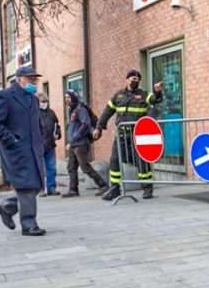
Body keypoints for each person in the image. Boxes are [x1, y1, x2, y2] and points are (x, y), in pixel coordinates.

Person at [0, 66, 47, 236]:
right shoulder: (5, 97)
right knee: (27, 186)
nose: (33, 82)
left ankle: (7, 206)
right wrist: (12, 139)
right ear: (19, 79)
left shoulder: (34, 100)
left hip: (34, 149)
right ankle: (29, 224)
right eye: (30, 79)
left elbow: (37, 124)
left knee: (36, 184)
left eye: (35, 79)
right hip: (16, 150)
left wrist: (42, 142)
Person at [93, 68, 163, 200]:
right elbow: (108, 111)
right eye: (133, 78)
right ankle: (114, 189)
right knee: (115, 161)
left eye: (137, 79)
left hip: (137, 134)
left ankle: (147, 188)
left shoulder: (143, 95)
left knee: (142, 161)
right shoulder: (118, 95)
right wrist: (99, 127)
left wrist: (157, 92)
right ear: (127, 79)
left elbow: (154, 99)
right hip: (121, 134)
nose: (135, 81)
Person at [63, 89, 107, 197]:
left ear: (73, 97)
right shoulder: (72, 110)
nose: (66, 99)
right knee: (71, 167)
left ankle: (103, 186)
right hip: (74, 144)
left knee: (85, 167)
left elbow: (86, 125)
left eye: (68, 97)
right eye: (65, 97)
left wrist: (74, 138)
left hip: (81, 144)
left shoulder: (80, 109)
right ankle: (73, 190)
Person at [36, 91, 62, 197]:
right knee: (40, 168)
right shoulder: (33, 113)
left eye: (46, 101)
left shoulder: (51, 112)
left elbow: (57, 126)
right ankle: (41, 189)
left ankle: (51, 188)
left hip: (50, 144)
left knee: (51, 167)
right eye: (42, 101)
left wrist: (57, 134)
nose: (45, 103)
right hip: (38, 144)